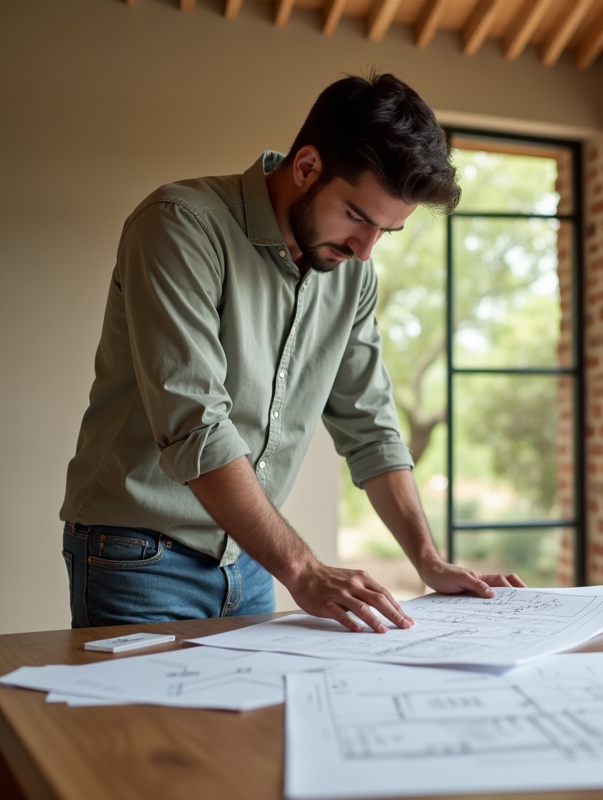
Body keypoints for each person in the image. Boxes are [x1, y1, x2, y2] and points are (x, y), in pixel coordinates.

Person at [60, 72, 525, 633]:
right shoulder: (180, 225)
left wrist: (428, 561)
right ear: (306, 167)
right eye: (357, 216)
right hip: (140, 558)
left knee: (251, 724)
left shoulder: (351, 276)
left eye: (387, 232)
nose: (363, 250)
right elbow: (195, 427)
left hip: (254, 562)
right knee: (150, 725)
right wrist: (303, 568)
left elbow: (371, 429)